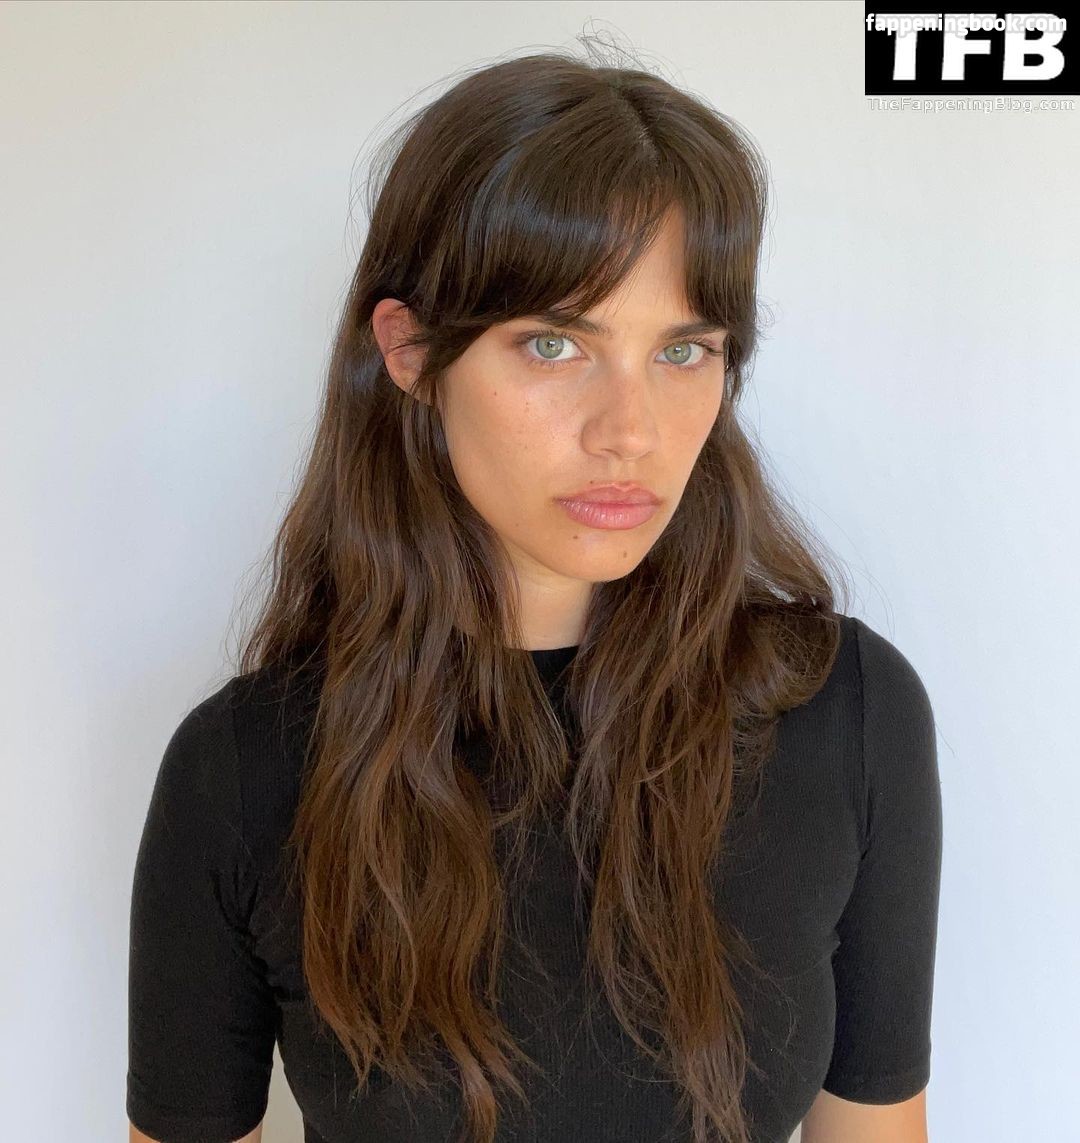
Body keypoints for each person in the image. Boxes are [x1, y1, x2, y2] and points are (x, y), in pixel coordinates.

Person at [127, 42, 942, 1143]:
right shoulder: (244, 773)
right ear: (411, 350)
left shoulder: (845, 713)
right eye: (555, 344)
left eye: (683, 351)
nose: (630, 432)